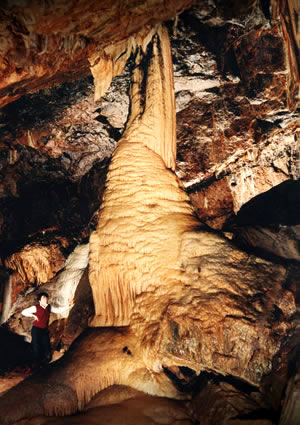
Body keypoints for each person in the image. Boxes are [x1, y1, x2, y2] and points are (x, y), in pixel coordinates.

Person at [21, 292, 52, 370]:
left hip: (44, 330)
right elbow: (23, 312)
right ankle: (36, 367)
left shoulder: (48, 307)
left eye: (46, 298)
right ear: (40, 300)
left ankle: (45, 365)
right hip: (36, 330)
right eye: (43, 298)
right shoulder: (36, 307)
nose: (45, 299)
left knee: (47, 348)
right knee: (36, 348)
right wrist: (33, 315)